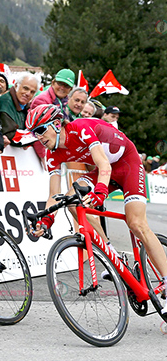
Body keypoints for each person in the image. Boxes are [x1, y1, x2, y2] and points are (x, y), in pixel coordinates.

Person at [25, 103, 167, 314]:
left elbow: (104, 165)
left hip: (126, 163)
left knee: (136, 223)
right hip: (104, 171)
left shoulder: (80, 128)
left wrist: (100, 190)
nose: (39, 138)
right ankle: (113, 254)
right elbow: (53, 195)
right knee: (71, 200)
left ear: (56, 124)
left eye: (40, 130)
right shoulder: (52, 154)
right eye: (34, 134)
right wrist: (47, 220)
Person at [0, 71, 40, 147]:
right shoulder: (5, 103)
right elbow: (10, 135)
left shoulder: (26, 106)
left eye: (32, 92)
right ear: (16, 86)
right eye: (25, 88)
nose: (28, 93)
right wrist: (32, 139)